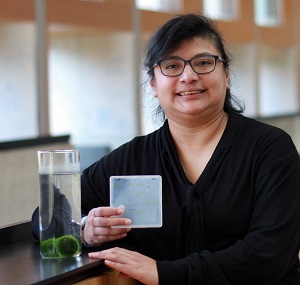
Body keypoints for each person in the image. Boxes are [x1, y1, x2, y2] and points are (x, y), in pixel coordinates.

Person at [32, 13, 300, 285]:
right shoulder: (132, 159)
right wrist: (86, 228)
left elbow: (269, 255)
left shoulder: (270, 149)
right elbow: (45, 216)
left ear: (227, 75)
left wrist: (163, 273)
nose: (189, 76)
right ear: (153, 85)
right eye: (172, 66)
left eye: (204, 63)